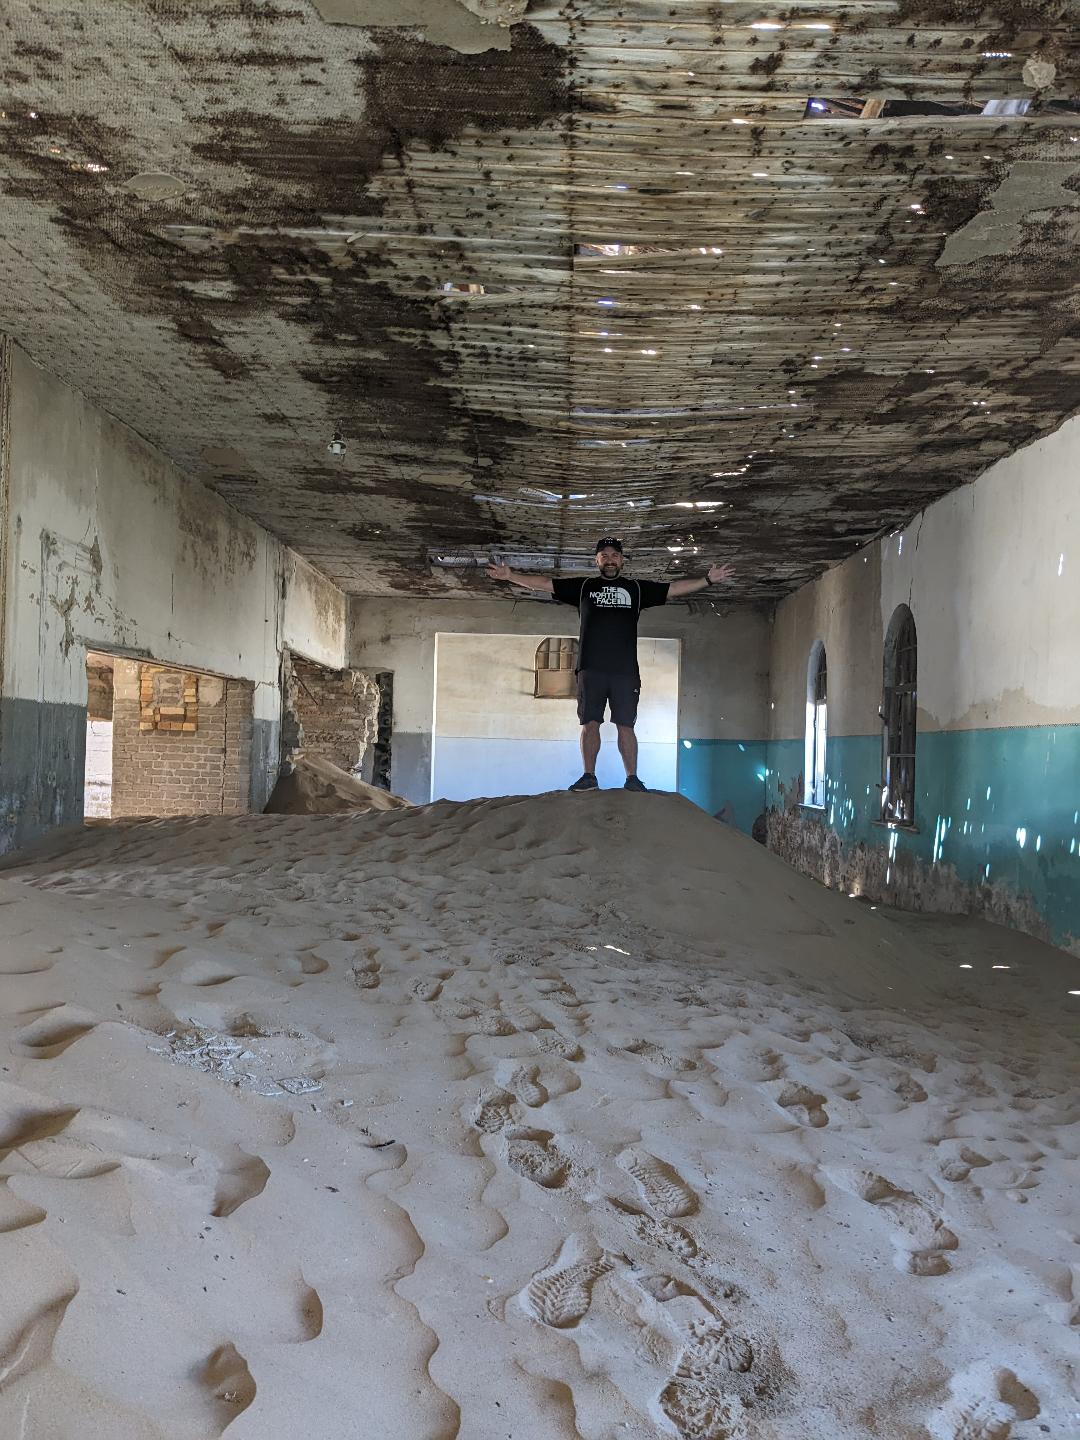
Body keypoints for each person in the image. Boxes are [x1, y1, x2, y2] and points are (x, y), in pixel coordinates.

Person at [486, 538, 735, 792]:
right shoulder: (584, 587)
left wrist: (708, 580)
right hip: (590, 668)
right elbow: (544, 584)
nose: (609, 559)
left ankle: (632, 779)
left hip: (625, 672)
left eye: (615, 554)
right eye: (604, 555)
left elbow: (672, 588)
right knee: (589, 723)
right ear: (597, 561)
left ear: (622, 560)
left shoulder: (636, 589)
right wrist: (510, 576)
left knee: (626, 725)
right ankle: (588, 777)